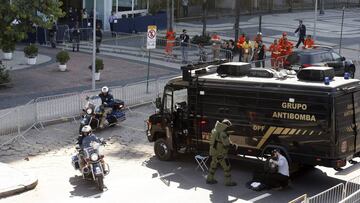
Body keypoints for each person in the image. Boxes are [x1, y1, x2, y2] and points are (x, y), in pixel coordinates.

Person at [206, 119, 237, 186]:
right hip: (220, 152)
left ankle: (209, 179)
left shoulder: (215, 130)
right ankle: (228, 182)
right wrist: (233, 146)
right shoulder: (223, 133)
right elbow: (226, 144)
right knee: (227, 167)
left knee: (213, 165)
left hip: (213, 151)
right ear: (226, 125)